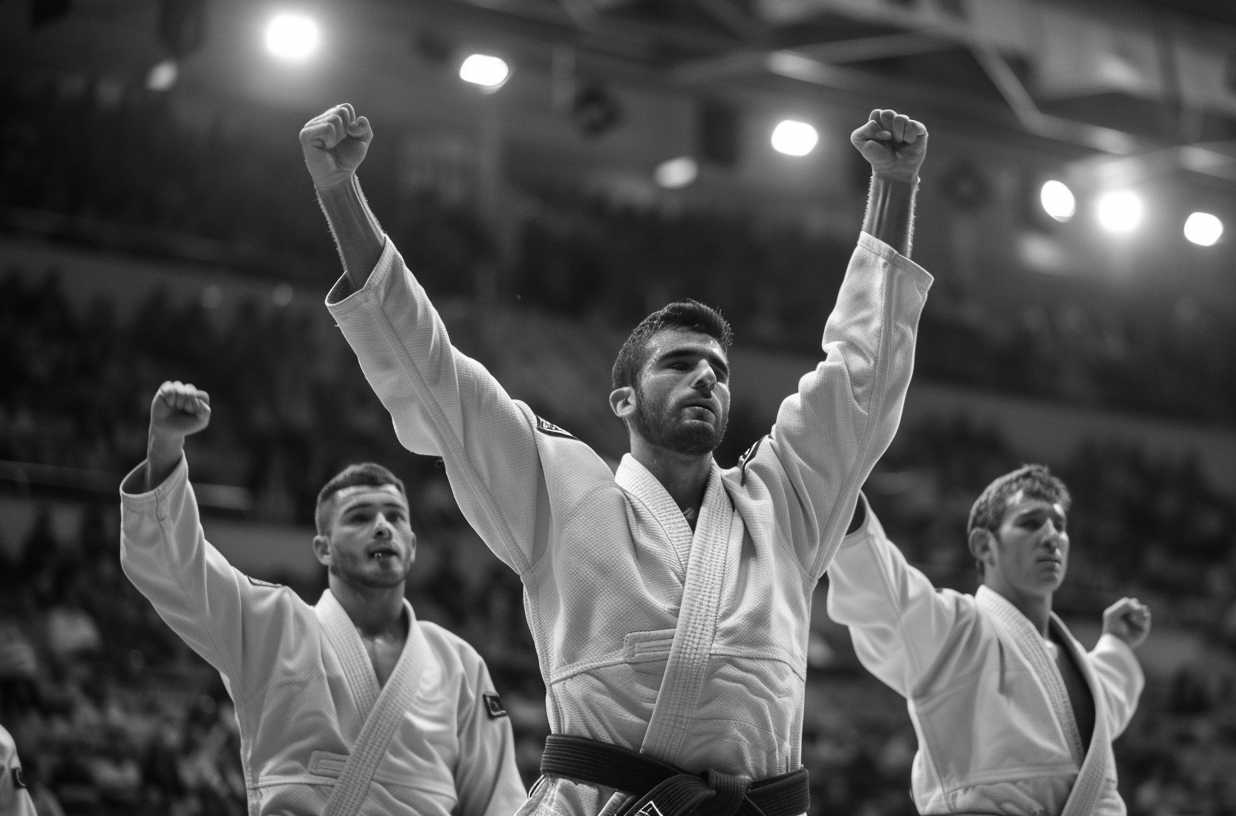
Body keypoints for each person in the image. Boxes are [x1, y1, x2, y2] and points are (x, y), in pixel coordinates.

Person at [299, 102, 931, 815]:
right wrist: (340, 194)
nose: (706, 379)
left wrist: (893, 187)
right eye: (681, 365)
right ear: (623, 401)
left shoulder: (783, 503)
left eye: (718, 372)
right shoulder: (561, 490)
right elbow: (432, 375)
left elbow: (862, 379)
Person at [118, 381, 527, 816]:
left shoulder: (459, 664)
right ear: (323, 548)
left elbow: (500, 802)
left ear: (412, 544)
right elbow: (174, 567)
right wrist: (164, 447)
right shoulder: (273, 624)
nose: (383, 527)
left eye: (395, 517)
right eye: (360, 517)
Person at [827, 464, 1151, 816]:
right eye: (1030, 522)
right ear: (984, 544)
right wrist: (838, 492)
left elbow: (1105, 703)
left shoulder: (1079, 667)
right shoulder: (958, 630)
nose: (1051, 536)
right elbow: (886, 594)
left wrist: (1116, 643)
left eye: (1059, 525)